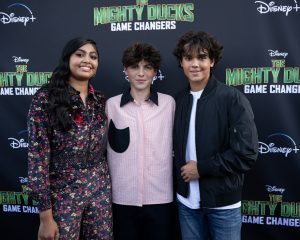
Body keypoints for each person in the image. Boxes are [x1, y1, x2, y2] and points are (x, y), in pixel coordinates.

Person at [173, 31, 258, 240]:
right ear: (181, 63)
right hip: (186, 204)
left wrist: (202, 168)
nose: (195, 64)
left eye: (201, 57)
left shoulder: (232, 99)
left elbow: (246, 155)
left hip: (223, 206)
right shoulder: (178, 101)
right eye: (188, 58)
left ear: (212, 61)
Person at [27, 37, 113, 240]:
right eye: (80, 54)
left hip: (99, 189)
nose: (87, 61)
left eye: (93, 57)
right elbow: (37, 160)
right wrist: (45, 218)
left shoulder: (99, 100)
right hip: (62, 193)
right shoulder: (45, 99)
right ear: (68, 59)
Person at [106, 42, 175, 240]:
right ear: (125, 70)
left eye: (147, 67)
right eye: (135, 66)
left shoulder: (169, 104)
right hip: (121, 199)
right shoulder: (111, 106)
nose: (141, 73)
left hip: (161, 198)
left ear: (155, 72)